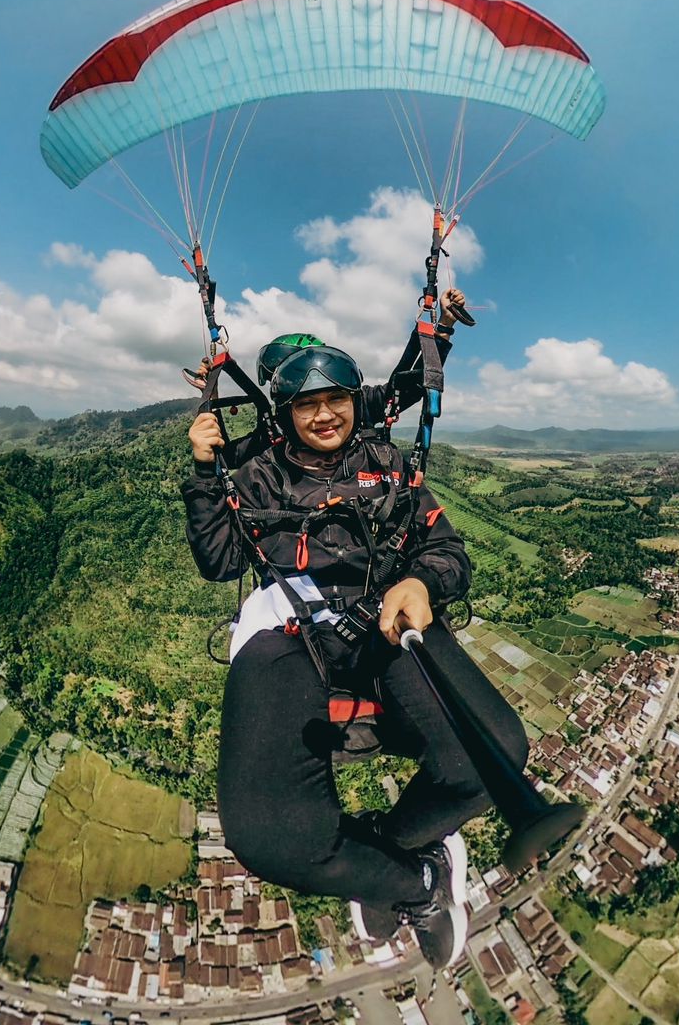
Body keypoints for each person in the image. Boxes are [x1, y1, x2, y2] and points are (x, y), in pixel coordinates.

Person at [181, 341, 527, 971]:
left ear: (352, 402)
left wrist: (423, 583)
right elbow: (220, 560)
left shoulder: (387, 464)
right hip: (289, 629)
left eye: (335, 400)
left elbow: (446, 549)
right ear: (284, 411)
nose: (323, 416)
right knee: (268, 841)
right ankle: (412, 883)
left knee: (495, 753)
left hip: (386, 617)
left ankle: (391, 854)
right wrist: (207, 473)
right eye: (306, 404)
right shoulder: (256, 470)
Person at [187, 289, 470, 472]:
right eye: (299, 397)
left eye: (332, 394)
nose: (323, 412)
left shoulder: (356, 404)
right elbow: (226, 457)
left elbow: (406, 388)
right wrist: (211, 399)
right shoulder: (277, 429)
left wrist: (443, 327)